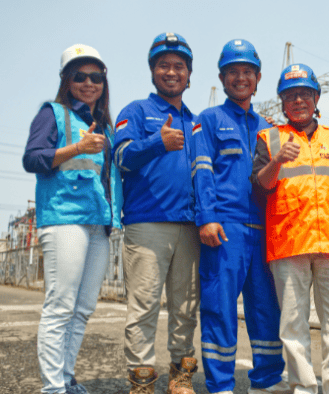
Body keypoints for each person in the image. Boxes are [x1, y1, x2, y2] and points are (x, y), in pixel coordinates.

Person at [190, 39, 289, 394]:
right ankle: (220, 386)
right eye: (233, 72)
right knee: (219, 309)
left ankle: (266, 381)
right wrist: (206, 217)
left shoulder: (269, 127)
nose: (240, 77)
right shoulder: (209, 120)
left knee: (266, 309)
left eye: (247, 71)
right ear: (222, 77)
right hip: (225, 228)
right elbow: (201, 170)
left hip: (264, 231)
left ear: (258, 77)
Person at [23, 43, 122, 394]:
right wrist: (77, 148)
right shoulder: (52, 113)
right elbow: (32, 159)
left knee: (81, 309)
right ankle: (53, 388)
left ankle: (65, 378)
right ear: (67, 80)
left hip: (98, 224)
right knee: (60, 307)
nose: (89, 83)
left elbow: (110, 179)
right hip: (65, 219)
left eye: (96, 77)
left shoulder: (104, 128)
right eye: (80, 76)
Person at [252, 64, 329, 394]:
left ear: (316, 98)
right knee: (293, 324)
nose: (299, 100)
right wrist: (278, 159)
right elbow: (262, 184)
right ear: (282, 103)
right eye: (291, 95)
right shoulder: (269, 139)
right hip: (288, 244)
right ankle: (302, 388)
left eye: (305, 94)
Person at [112, 32, 200, 394]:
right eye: (164, 65)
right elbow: (120, 157)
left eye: (179, 66)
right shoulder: (135, 111)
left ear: (189, 75)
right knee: (144, 307)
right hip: (147, 224)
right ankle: (141, 381)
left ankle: (180, 377)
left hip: (190, 226)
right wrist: (156, 142)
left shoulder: (196, 121)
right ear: (152, 71)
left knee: (185, 308)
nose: (171, 72)